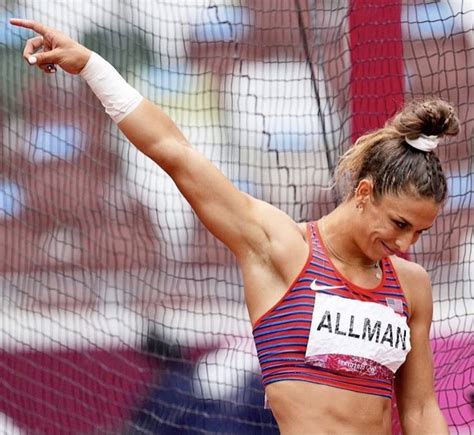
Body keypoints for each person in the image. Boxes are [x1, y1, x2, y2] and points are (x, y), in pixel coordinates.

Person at [10, 18, 459, 435]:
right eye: (400, 223)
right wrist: (91, 65)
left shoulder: (411, 285)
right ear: (364, 193)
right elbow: (175, 151)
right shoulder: (279, 245)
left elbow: (420, 409)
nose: (405, 242)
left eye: (419, 232)